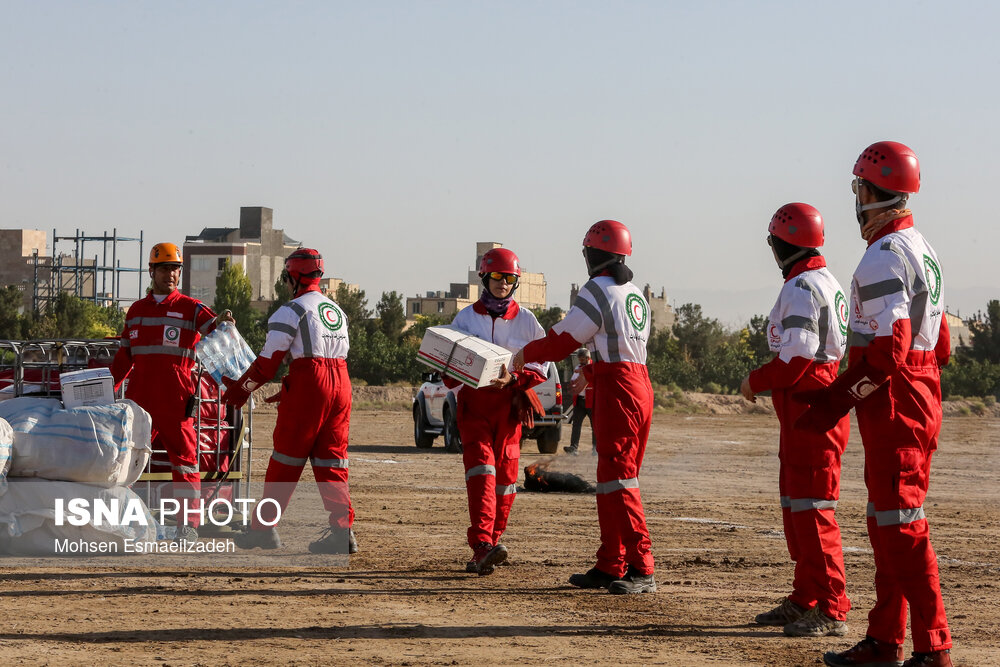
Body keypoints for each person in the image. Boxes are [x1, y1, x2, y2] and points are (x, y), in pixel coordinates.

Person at [796, 142, 953, 667]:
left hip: (897, 399)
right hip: (919, 392)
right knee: (887, 521)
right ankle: (885, 638)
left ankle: (934, 647)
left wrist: (833, 403)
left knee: (902, 526)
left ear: (868, 191)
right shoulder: (922, 247)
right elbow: (944, 345)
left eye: (858, 187)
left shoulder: (883, 256)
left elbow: (887, 355)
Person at [512, 220, 655, 595]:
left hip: (618, 390)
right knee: (612, 480)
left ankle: (642, 568)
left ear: (593, 255)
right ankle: (611, 563)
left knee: (620, 480)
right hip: (637, 385)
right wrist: (591, 370)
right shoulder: (636, 294)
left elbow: (562, 340)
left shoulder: (597, 289)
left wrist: (524, 354)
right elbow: (624, 346)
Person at [739, 203, 851, 637]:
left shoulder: (803, 286)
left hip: (810, 412)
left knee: (814, 512)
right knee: (800, 511)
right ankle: (805, 597)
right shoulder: (821, 280)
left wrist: (755, 380)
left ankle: (833, 608)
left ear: (782, 243)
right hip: (805, 413)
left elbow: (797, 358)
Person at [221, 248, 357, 555]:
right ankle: (342, 530)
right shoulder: (336, 311)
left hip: (312, 386)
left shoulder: (290, 311)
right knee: (332, 460)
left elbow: (268, 363)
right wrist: (292, 387)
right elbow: (328, 361)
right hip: (341, 386)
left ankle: (263, 529)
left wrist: (241, 390)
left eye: (285, 277)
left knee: (286, 458)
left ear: (293, 277)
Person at [110, 242, 233, 542]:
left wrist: (224, 323)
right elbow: (124, 360)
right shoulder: (136, 311)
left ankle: (188, 524)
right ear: (152, 271)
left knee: (185, 462)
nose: (172, 274)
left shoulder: (191, 308)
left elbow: (215, 328)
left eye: (176, 269)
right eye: (165, 268)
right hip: (139, 399)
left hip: (177, 399)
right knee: (127, 460)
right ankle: (124, 520)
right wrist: (106, 391)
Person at [446, 247, 548, 576]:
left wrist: (516, 378)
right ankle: (482, 545)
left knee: (505, 481)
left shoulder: (527, 321)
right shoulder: (464, 319)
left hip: (509, 410)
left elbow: (541, 363)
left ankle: (493, 540)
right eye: (496, 277)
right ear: (484, 278)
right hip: (474, 408)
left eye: (509, 279)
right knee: (482, 475)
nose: (502, 283)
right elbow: (449, 366)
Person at [564, 348, 596, 455]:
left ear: (588, 358)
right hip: (579, 401)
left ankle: (595, 449)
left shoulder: (594, 367)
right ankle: (574, 448)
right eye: (579, 359)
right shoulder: (578, 367)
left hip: (591, 402)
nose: (580, 361)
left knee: (595, 426)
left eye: (582, 359)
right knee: (576, 425)